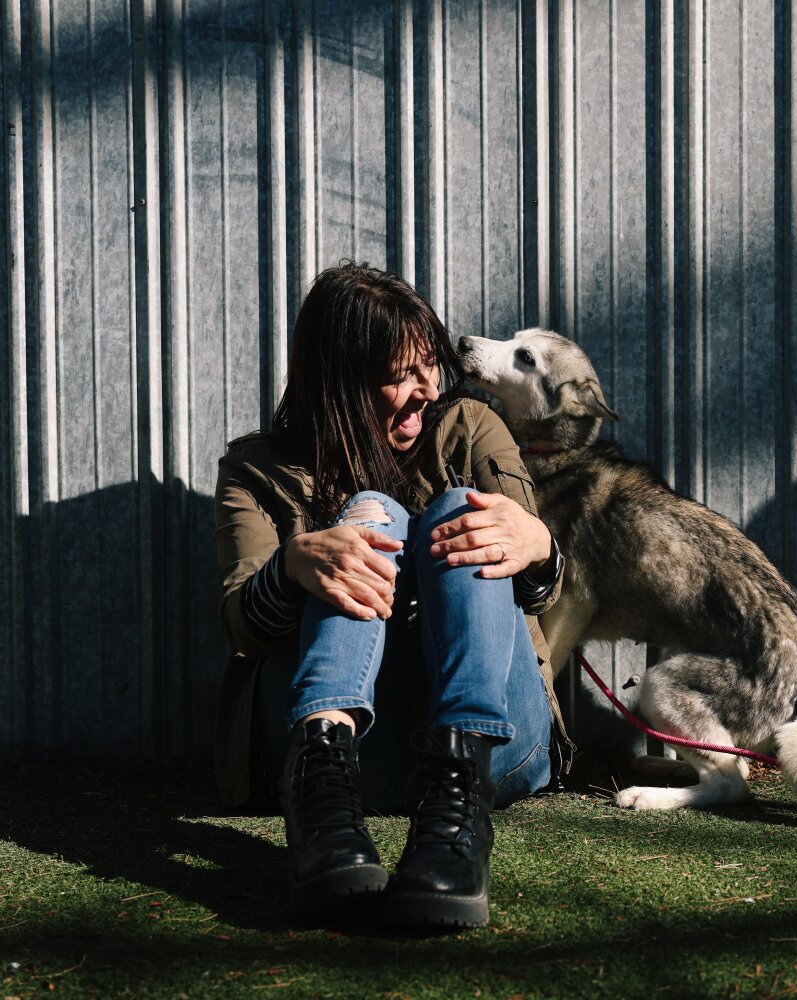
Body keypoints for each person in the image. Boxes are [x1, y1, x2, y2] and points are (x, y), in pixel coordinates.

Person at [213, 262, 573, 930]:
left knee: (463, 513)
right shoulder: (257, 470)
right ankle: (322, 802)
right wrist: (293, 564)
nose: (426, 390)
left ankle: (455, 821)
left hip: (493, 747)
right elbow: (241, 623)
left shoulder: (469, 427)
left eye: (431, 365)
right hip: (351, 755)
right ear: (341, 384)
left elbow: (535, 592)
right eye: (400, 375)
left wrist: (541, 546)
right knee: (370, 515)